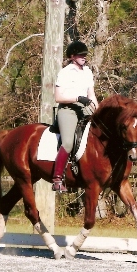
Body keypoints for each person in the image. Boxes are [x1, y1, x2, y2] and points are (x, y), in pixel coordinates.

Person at [52, 41, 98, 192]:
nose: (84, 57)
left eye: (85, 54)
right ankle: (57, 179)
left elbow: (91, 95)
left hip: (86, 108)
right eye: (80, 54)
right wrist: (78, 98)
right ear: (72, 57)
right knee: (67, 142)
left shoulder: (88, 72)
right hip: (68, 109)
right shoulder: (65, 72)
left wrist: (98, 111)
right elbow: (58, 97)